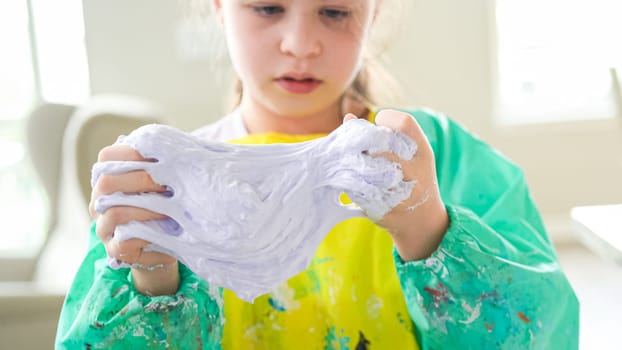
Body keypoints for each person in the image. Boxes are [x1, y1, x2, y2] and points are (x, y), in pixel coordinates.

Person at [55, 0, 579, 348]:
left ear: (373, 13)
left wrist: (428, 230)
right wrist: (153, 279)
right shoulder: (164, 189)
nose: (301, 43)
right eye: (267, 7)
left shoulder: (443, 160)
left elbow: (542, 329)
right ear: (218, 6)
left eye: (334, 11)